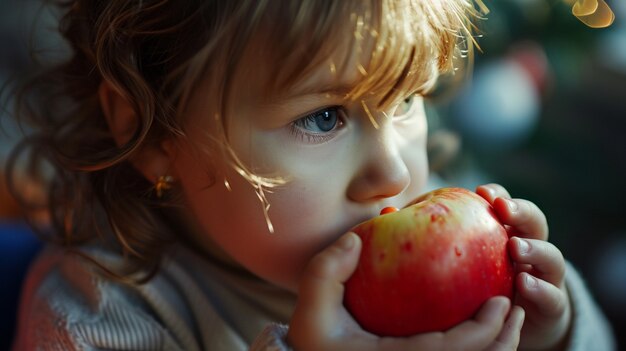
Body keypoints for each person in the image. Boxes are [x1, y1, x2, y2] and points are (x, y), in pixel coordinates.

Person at [7, 0, 615, 350]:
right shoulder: (91, 316)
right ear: (151, 132)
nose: (393, 171)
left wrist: (552, 336)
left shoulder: (443, 234)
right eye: (323, 117)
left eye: (405, 101)